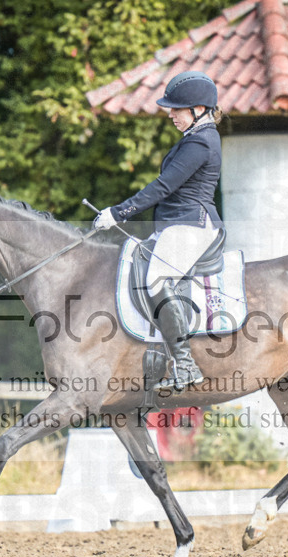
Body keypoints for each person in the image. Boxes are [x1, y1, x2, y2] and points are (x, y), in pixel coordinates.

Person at [93, 70, 224, 391]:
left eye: (177, 109)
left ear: (198, 110)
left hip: (192, 225)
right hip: (176, 224)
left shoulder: (201, 143)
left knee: (156, 279)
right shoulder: (194, 138)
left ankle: (185, 364)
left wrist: (118, 212)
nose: (170, 114)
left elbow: (163, 187)